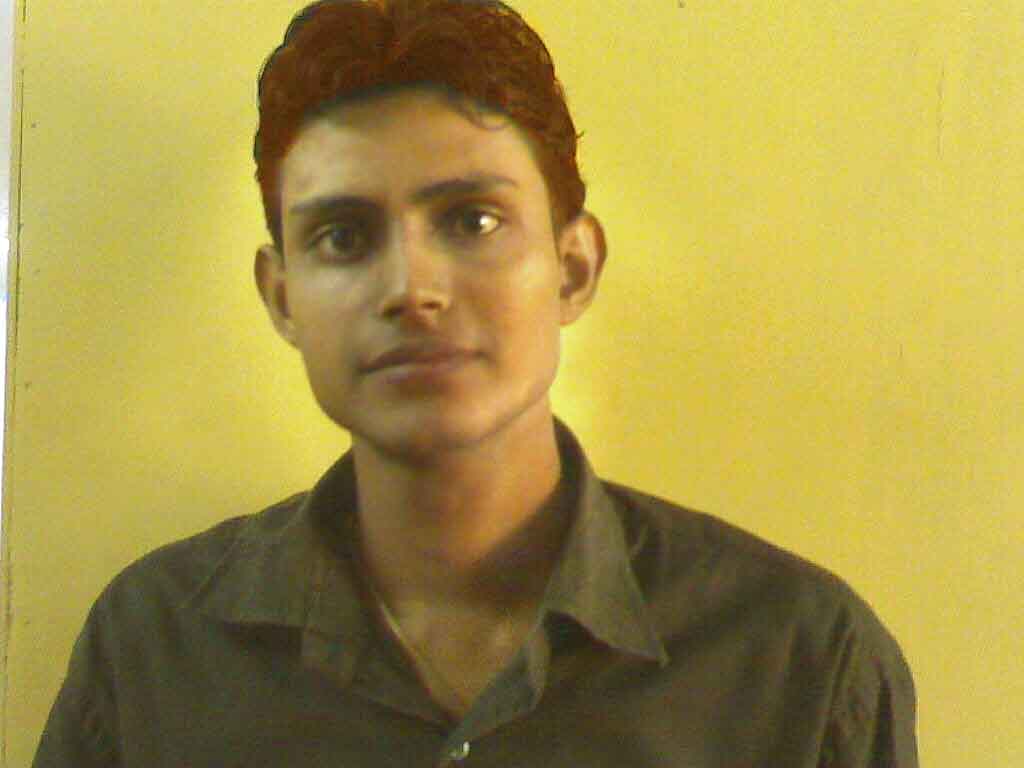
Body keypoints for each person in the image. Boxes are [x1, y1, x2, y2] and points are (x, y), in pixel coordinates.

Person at [33, 1, 918, 766]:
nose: (412, 288)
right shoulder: (155, 650)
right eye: (343, 235)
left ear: (573, 268)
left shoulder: (796, 661)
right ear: (282, 296)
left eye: (474, 220)